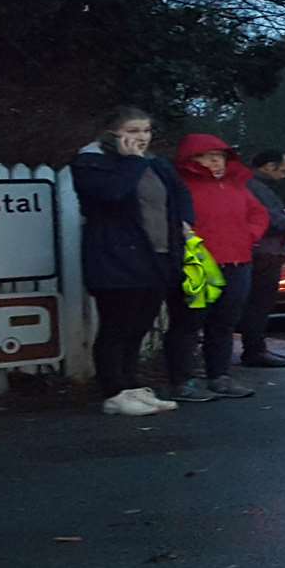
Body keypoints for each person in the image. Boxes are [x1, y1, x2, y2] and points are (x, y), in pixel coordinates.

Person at [70, 107, 189, 417]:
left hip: (156, 257)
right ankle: (113, 391)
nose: (141, 138)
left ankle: (132, 386)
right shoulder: (92, 163)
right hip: (115, 258)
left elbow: (178, 198)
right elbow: (112, 195)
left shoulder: (156, 165)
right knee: (115, 326)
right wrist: (131, 162)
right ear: (113, 133)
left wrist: (185, 224)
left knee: (138, 326)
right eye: (133, 131)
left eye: (146, 131)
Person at [164, 134, 269, 402]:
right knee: (188, 323)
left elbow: (258, 214)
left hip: (237, 262)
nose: (217, 160)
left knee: (224, 323)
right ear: (192, 159)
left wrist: (249, 236)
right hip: (197, 264)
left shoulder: (235, 186)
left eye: (221, 155)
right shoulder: (180, 186)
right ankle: (181, 381)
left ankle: (219, 376)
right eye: (209, 155)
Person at [239, 150, 285, 368]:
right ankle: (255, 351)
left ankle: (256, 349)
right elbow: (270, 222)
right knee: (259, 304)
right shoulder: (256, 188)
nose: (284, 176)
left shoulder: (252, 186)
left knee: (256, 305)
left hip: (262, 253)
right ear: (268, 166)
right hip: (264, 253)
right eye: (282, 171)